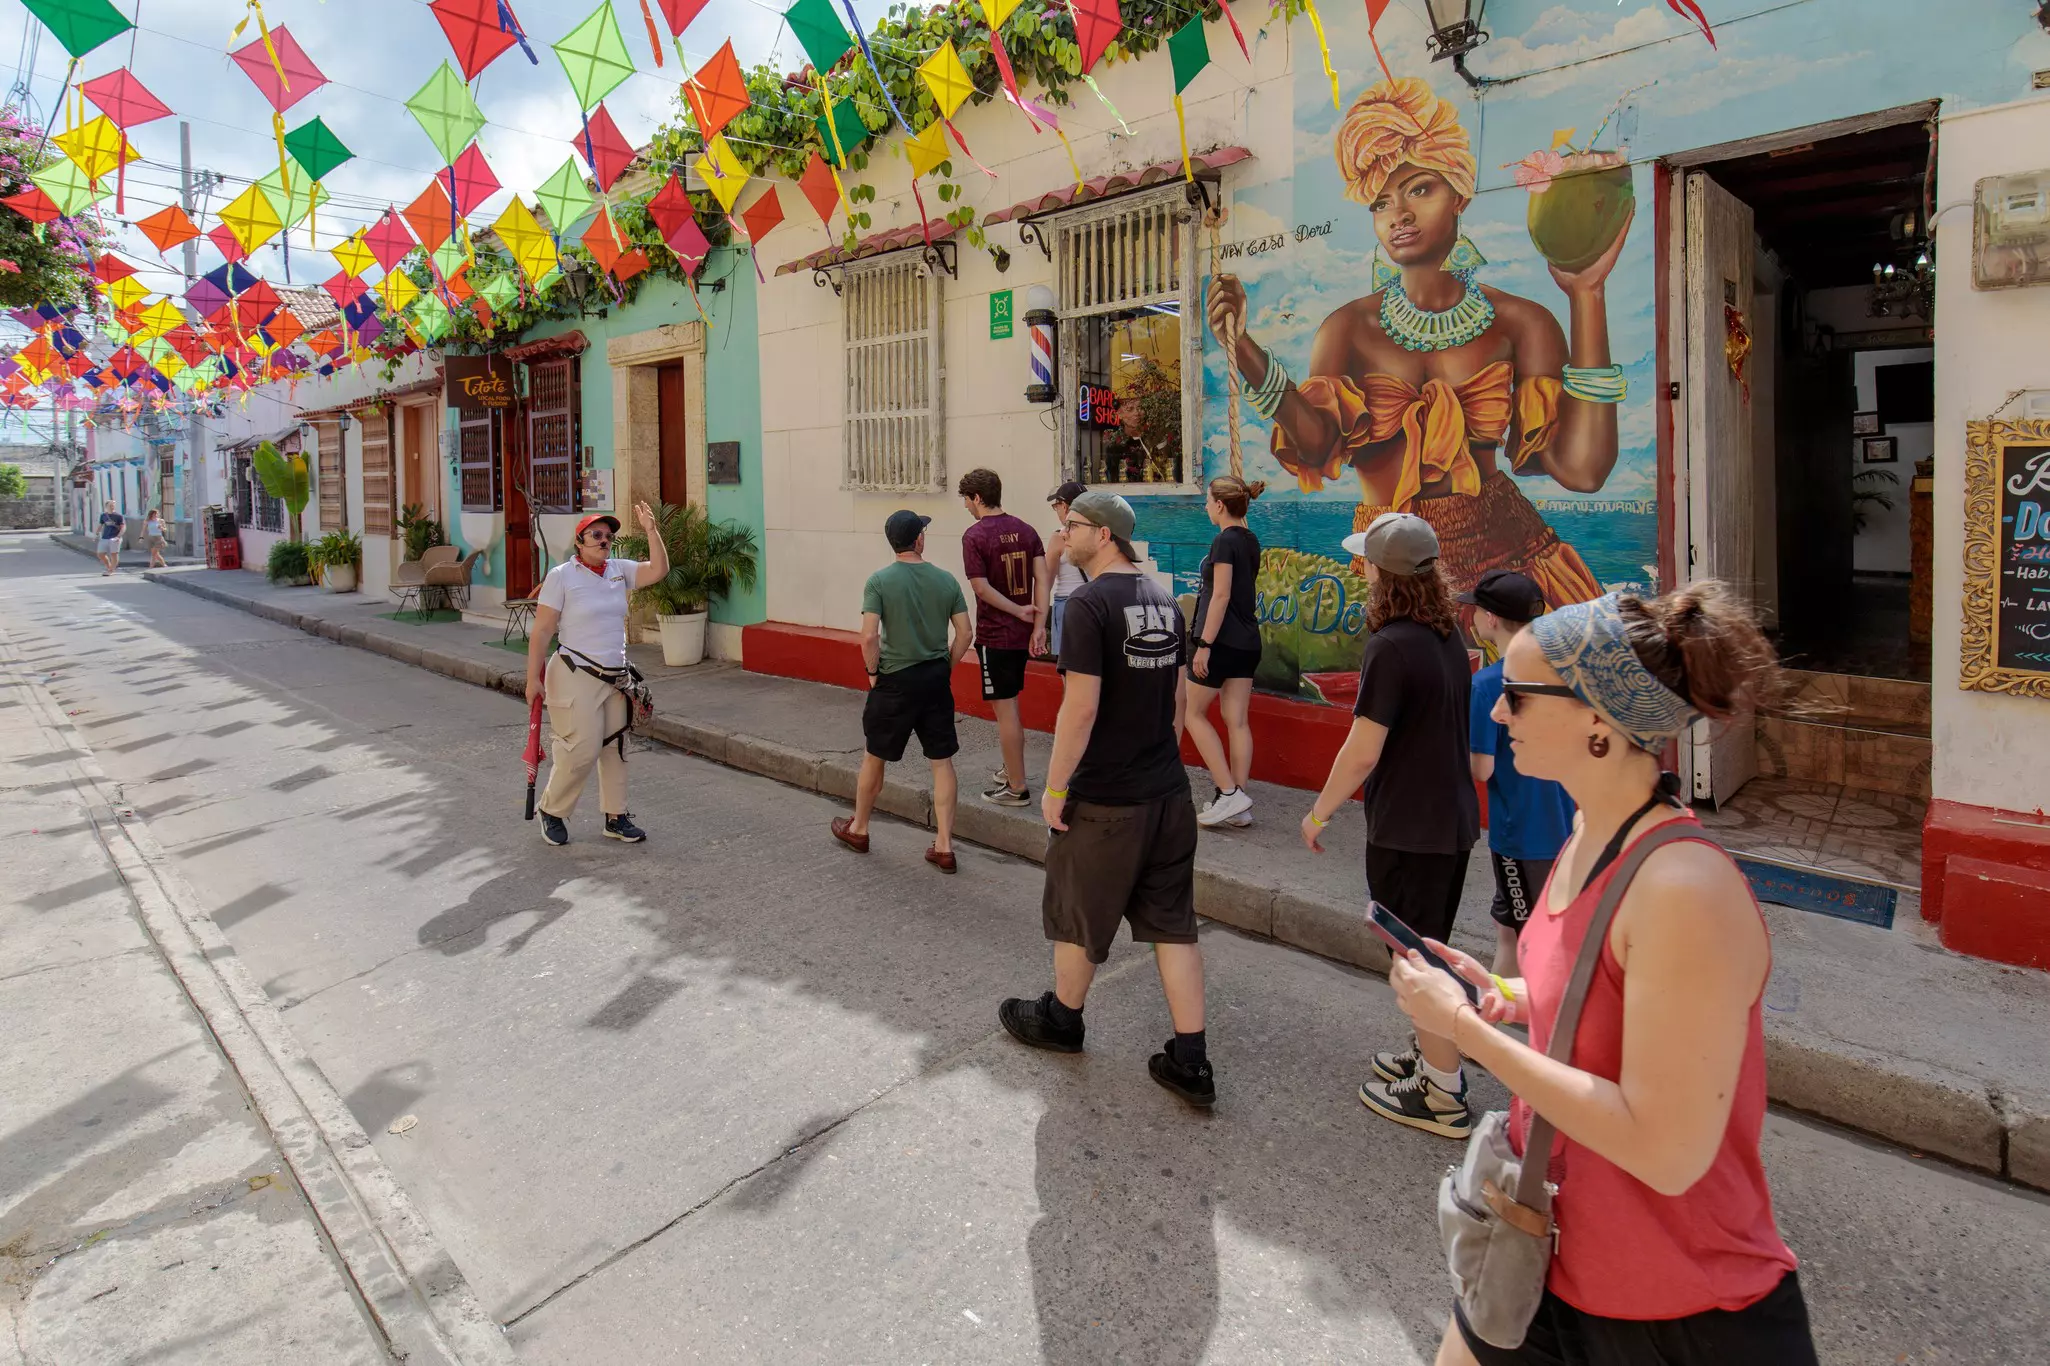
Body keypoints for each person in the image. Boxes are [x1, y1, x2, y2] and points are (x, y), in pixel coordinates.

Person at [1389, 584, 1817, 1366]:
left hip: (1678, 1306)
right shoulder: (1588, 833)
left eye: (1516, 696)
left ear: (1596, 718)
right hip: (1543, 1249)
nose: (1496, 713)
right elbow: (1588, 1003)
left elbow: (1665, 1149)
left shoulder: (1681, 889)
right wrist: (1501, 996)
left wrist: (1464, 1032)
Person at [1208, 76, 1629, 614]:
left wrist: (1587, 296)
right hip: (1387, 573)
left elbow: (1583, 471)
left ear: (1460, 195)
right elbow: (1315, 446)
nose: (1399, 214)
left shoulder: (1523, 322)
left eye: (1420, 189)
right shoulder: (1347, 328)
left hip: (1513, 571)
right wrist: (1242, 347)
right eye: (1381, 204)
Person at [998, 491, 1215, 1108]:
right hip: (1167, 794)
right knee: (1173, 924)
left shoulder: (1091, 604)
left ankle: (1063, 1019)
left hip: (1107, 800)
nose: (1064, 536)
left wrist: (1057, 787)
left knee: (1077, 912)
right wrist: (1162, 762)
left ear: (1107, 535)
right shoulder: (1165, 600)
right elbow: (1175, 701)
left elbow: (1081, 707)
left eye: (1073, 527)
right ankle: (1191, 1059)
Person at [1301, 512, 1478, 1137]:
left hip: (1409, 826)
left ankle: (1442, 1093)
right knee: (1426, 951)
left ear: (1383, 573)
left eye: (1366, 561)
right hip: (1448, 821)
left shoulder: (1390, 645)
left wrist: (1319, 811)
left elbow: (1362, 748)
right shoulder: (1445, 634)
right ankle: (1431, 1056)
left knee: (1415, 963)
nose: (1361, 569)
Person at [832, 510, 973, 872]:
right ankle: (944, 846)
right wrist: (945, 666)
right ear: (919, 539)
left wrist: (873, 674)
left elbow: (868, 636)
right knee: (941, 761)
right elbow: (965, 634)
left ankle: (859, 828)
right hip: (934, 679)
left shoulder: (878, 581)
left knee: (874, 756)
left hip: (895, 680)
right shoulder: (946, 581)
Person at [525, 502, 669, 847]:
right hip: (575, 672)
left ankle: (616, 817)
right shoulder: (562, 576)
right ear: (580, 541)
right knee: (581, 748)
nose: (605, 540)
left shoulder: (618, 570)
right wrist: (534, 678)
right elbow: (542, 631)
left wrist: (651, 530)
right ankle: (553, 810)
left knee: (615, 748)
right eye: (597, 534)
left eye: (609, 535)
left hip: (616, 677)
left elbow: (658, 570)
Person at [1460, 570, 1575, 977]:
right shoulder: (1566, 670)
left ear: (1491, 619)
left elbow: (1481, 768)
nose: (1471, 617)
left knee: (1527, 942)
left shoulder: (1488, 684)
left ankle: (1535, 1035)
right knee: (1511, 929)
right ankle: (1490, 1027)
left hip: (1521, 834)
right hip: (1569, 825)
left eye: (1474, 609)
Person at [958, 468, 1046, 808]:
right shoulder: (1027, 530)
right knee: (1011, 705)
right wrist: (1038, 623)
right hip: (1023, 632)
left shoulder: (974, 536)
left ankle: (1017, 786)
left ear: (977, 497)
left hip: (997, 634)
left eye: (966, 498)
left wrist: (1016, 611)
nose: (966, 505)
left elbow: (980, 587)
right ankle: (1011, 768)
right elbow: (1042, 579)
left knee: (1005, 710)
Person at [1185, 475, 1265, 829]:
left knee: (1192, 713)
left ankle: (1229, 793)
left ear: (1220, 505)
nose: (1205, 507)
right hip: (1248, 642)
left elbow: (1221, 595)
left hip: (1221, 642)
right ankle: (1239, 804)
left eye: (1207, 501)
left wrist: (1203, 644)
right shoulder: (1250, 539)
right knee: (1237, 721)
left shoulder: (1223, 542)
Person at [1041, 480, 1088, 659]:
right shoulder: (1099, 532)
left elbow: (1045, 582)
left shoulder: (1059, 537)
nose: (1057, 511)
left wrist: (1039, 624)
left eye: (1056, 506)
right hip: (1095, 602)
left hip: (1068, 604)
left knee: (1069, 668)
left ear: (1066, 506)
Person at [95, 505, 124, 575]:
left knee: (114, 554)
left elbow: (123, 527)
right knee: (100, 553)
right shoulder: (103, 515)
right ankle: (109, 567)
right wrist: (96, 534)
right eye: (110, 505)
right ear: (106, 506)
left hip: (115, 537)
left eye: (113, 505)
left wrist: (118, 536)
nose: (112, 507)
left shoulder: (119, 516)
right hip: (105, 537)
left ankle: (111, 570)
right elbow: (100, 525)